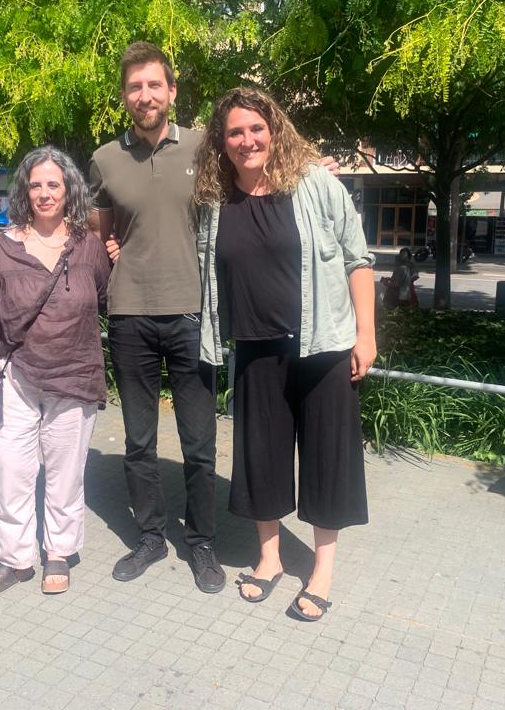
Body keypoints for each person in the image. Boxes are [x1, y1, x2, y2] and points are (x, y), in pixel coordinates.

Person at [194, 87, 377, 621]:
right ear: (221, 142)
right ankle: (270, 559)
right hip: (255, 349)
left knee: (327, 459)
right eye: (235, 132)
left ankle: (321, 571)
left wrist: (366, 335)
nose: (247, 139)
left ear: (274, 129)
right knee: (260, 459)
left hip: (323, 346)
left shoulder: (317, 185)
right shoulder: (212, 202)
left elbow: (357, 259)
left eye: (256, 127)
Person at [88, 41, 225, 593]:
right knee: (139, 439)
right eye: (134, 87)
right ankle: (150, 537)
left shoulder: (204, 147)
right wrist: (112, 247)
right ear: (124, 97)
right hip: (129, 317)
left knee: (199, 441)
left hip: (191, 313)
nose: (144, 95)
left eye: (153, 85)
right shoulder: (104, 158)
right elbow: (102, 231)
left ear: (171, 90)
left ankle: (203, 544)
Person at [0, 146, 110, 597]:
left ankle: (60, 553)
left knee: (67, 475)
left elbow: (106, 299)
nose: (45, 193)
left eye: (54, 184)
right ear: (24, 192)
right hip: (15, 379)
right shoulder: (2, 248)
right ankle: (14, 559)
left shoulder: (89, 247)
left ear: (69, 190)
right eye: (36, 185)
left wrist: (118, 253)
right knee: (12, 473)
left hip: (75, 376)